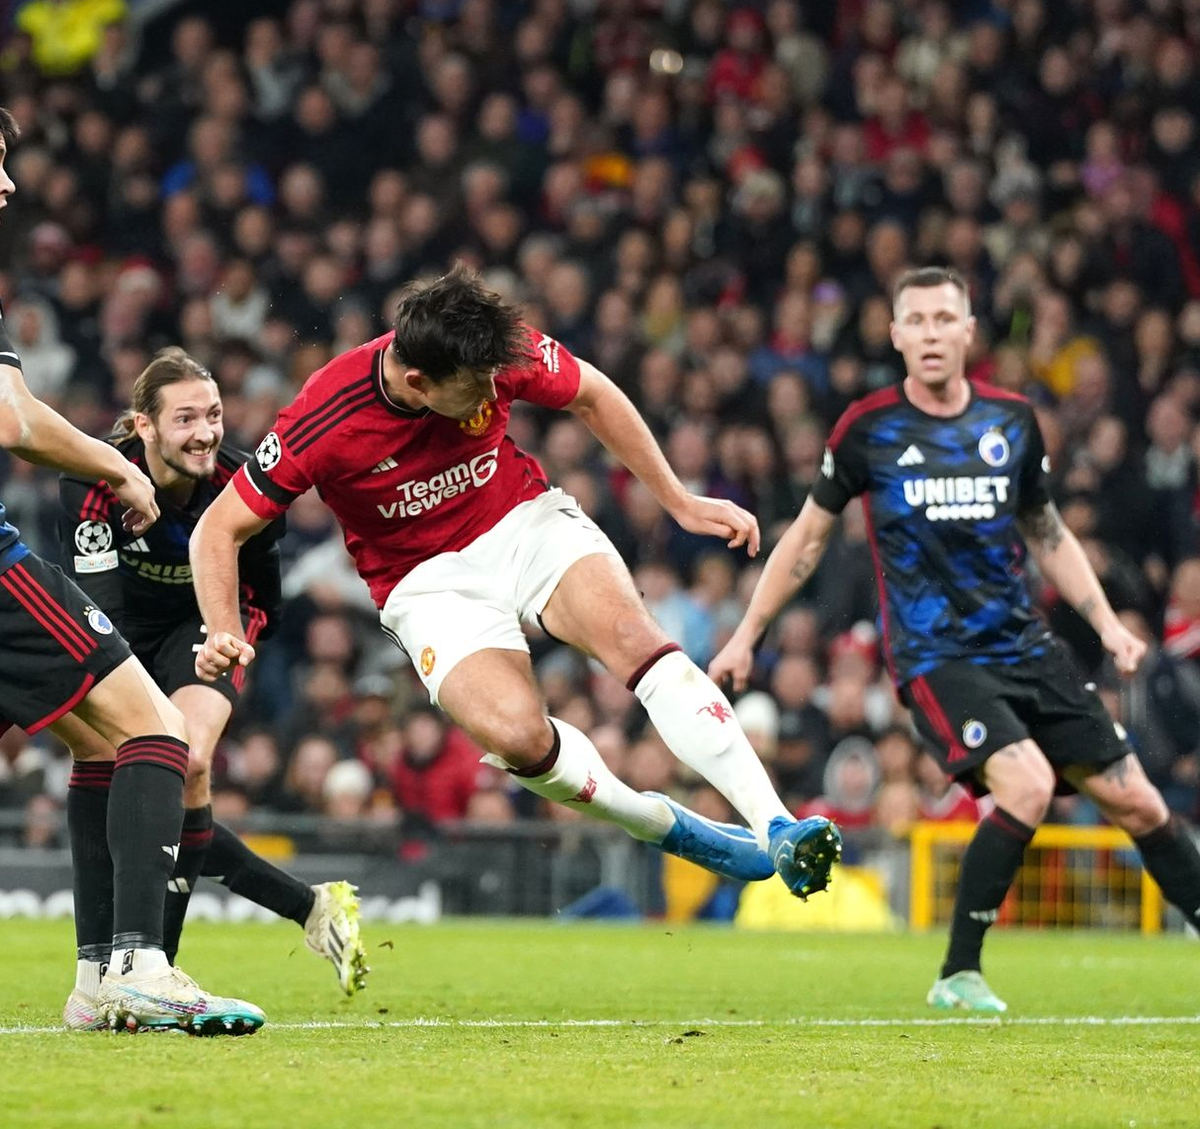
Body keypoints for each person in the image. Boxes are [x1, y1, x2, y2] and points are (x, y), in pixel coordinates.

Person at [190, 266, 841, 897]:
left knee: (631, 635)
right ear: (417, 380)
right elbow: (217, 529)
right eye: (475, 391)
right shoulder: (326, 417)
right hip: (424, 582)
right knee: (518, 737)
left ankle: (775, 823)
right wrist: (222, 626)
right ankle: (656, 821)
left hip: (521, 521)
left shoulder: (490, 349)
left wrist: (677, 498)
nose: (492, 396)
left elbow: (592, 392)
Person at [710, 266, 1200, 1012]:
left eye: (946, 319)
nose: (932, 334)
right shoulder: (868, 430)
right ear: (897, 334)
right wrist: (747, 632)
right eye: (918, 321)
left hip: (1027, 648)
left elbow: (1048, 531)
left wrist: (1105, 622)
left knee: (1140, 803)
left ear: (970, 330)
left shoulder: (1011, 421)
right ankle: (957, 973)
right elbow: (807, 539)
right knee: (1028, 784)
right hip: (938, 657)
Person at [0, 106, 262, 1034]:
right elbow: (14, 418)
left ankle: (92, 977)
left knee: (98, 741)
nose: (7, 186)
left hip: (177, 633)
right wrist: (112, 464)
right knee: (152, 730)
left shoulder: (236, 489)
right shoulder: (109, 493)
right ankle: (140, 965)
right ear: (146, 422)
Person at [58, 347, 367, 1020]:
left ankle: (143, 976)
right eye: (186, 417)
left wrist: (231, 638)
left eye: (216, 414)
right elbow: (97, 605)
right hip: (114, 626)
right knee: (127, 768)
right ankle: (307, 905)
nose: (206, 431)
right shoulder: (93, 482)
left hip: (207, 626)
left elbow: (265, 595)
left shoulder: (242, 485)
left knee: (186, 759)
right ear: (143, 426)